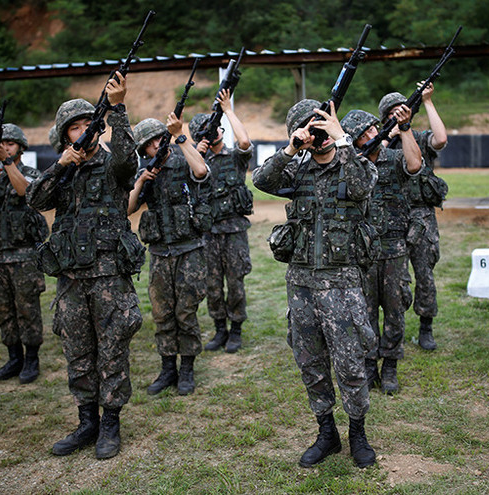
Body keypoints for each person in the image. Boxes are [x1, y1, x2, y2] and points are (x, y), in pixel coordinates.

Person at [252, 99, 378, 469]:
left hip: (343, 284)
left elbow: (361, 188)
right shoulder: (297, 170)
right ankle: (327, 432)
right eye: (311, 128)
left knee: (351, 364)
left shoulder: (355, 164)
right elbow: (262, 180)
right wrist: (292, 147)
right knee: (310, 363)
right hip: (302, 284)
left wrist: (343, 140)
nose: (318, 133)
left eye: (320, 125)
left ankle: (358, 432)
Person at [27, 72, 145, 460]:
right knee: (78, 352)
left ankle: (110, 423)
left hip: (109, 276)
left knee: (112, 352)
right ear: (65, 137)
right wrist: (61, 165)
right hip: (72, 279)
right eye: (73, 128)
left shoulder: (113, 166)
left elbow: (131, 160)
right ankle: (86, 421)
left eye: (86, 125)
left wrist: (119, 111)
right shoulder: (64, 169)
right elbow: (35, 200)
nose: (82, 132)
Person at [340, 108, 422, 395]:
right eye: (363, 134)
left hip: (394, 247)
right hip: (363, 252)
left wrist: (406, 128)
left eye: (373, 129)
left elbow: (414, 165)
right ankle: (369, 363)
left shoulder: (394, 158)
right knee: (364, 311)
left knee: (396, 309)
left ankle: (390, 365)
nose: (371, 135)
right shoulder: (353, 165)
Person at [128, 112, 210, 397]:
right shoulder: (144, 169)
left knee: (185, 312)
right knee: (162, 313)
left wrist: (181, 137)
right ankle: (167, 369)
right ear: (143, 149)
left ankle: (186, 368)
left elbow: (201, 172)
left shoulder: (182, 157)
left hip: (189, 249)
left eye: (159, 139)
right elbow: (129, 208)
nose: (155, 146)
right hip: (160, 252)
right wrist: (141, 181)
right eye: (149, 143)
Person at [0, 124, 48, 384]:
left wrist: (8, 163)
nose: (5, 148)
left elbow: (28, 192)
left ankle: (32, 359)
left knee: (27, 310)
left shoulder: (29, 173)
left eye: (10, 144)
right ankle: (14, 358)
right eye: (1, 145)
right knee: (4, 311)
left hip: (25, 257)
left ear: (21, 148)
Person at [378, 82, 449, 351]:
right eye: (393, 113)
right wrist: (389, 134)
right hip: (391, 217)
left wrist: (428, 102)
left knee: (424, 273)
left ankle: (426, 326)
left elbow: (440, 140)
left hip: (421, 215)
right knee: (394, 280)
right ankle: (395, 329)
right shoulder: (380, 142)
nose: (399, 116)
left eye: (402, 111)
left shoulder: (417, 138)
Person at [188, 88, 254, 353]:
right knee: (212, 286)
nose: (211, 132)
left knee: (235, 283)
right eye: (205, 130)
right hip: (209, 234)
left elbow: (245, 142)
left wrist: (227, 110)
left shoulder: (234, 158)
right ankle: (219, 330)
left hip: (234, 230)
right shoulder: (195, 162)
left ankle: (236, 330)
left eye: (213, 128)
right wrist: (195, 152)